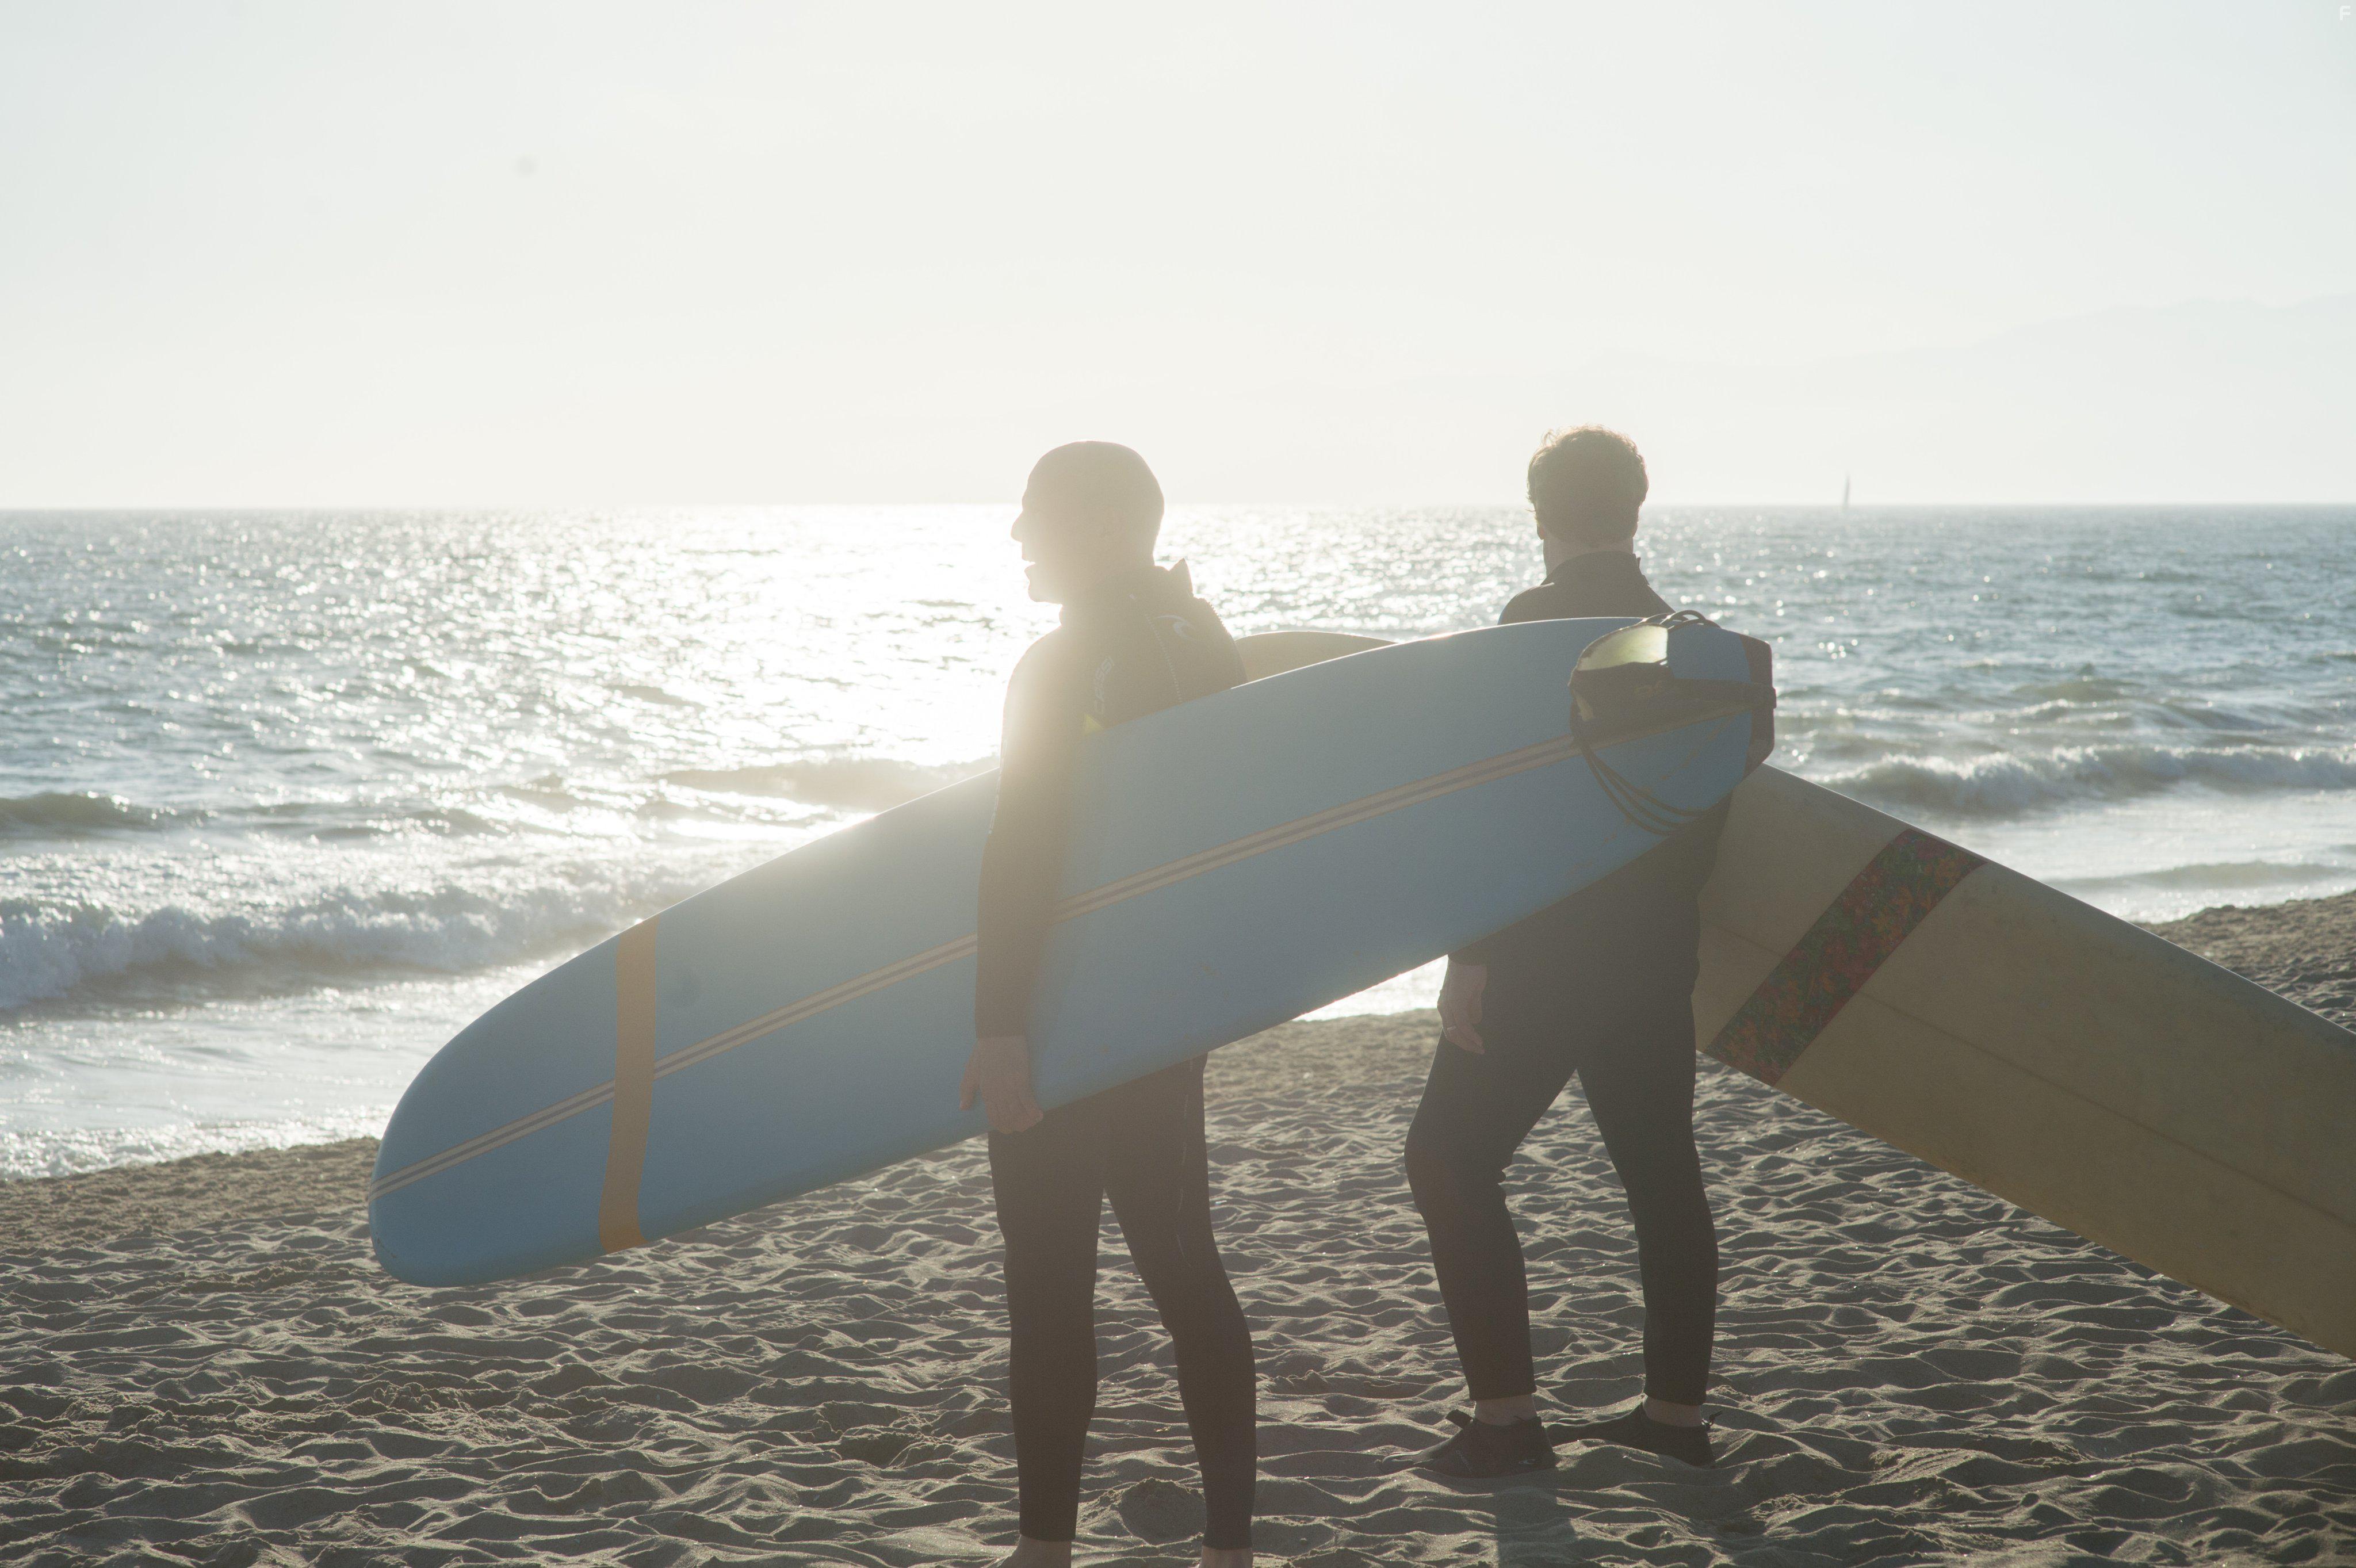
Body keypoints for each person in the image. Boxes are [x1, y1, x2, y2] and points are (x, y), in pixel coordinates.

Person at [1405, 426, 1734, 1475]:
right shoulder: (1686, 639)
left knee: (1447, 1157)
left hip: (1545, 959)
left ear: (1541, 516)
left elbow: (1501, 806)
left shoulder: (1530, 627)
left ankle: (1506, 1422)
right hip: (1655, 956)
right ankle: (1676, 1420)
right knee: (1662, 1174)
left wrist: (1470, 953)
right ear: (1634, 512)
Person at [958, 442, 1259, 1566]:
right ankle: (1229, 1545)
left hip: (1064, 1016)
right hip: (1165, 1018)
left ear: (1091, 525)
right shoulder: (1204, 642)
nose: (1017, 534)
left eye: (1033, 512)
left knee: (1048, 1290)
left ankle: (1044, 1549)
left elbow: (1022, 848)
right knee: (1188, 1275)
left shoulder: (1060, 663)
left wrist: (999, 1026)